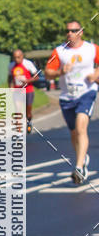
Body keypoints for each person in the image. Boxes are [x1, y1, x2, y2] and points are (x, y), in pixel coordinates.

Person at [45, 21, 99, 184]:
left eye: (74, 30)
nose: (70, 33)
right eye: (67, 31)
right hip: (67, 96)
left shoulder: (91, 49)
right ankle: (82, 158)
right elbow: (47, 73)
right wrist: (61, 71)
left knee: (81, 126)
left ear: (81, 32)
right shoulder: (60, 51)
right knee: (74, 133)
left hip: (87, 92)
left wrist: (96, 73)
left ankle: (79, 167)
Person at [8, 49, 38, 134]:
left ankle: (29, 121)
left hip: (28, 90)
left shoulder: (28, 64)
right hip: (17, 91)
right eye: (14, 58)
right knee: (17, 111)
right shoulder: (11, 66)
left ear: (22, 56)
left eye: (18, 57)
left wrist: (27, 81)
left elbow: (36, 77)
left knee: (28, 113)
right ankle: (19, 133)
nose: (16, 59)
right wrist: (10, 86)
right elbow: (10, 77)